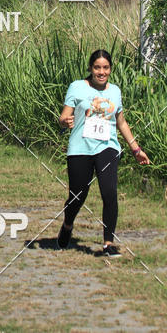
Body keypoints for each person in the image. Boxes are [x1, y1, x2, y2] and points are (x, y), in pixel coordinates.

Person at [58, 49, 150, 257]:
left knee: (109, 192)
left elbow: (121, 121)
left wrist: (136, 149)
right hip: (80, 147)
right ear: (90, 68)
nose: (101, 72)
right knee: (77, 195)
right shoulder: (77, 87)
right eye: (97, 67)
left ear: (110, 69)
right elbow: (64, 117)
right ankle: (67, 224)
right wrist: (64, 121)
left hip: (107, 147)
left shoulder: (115, 91)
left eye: (105, 68)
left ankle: (108, 243)